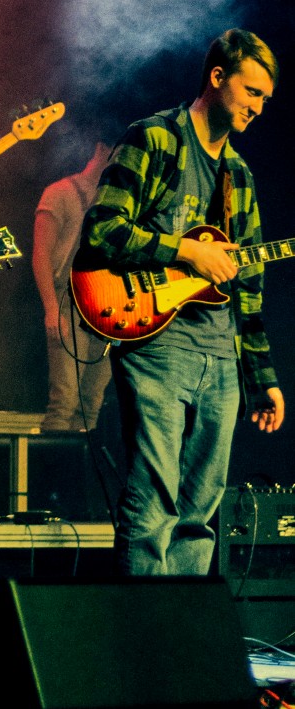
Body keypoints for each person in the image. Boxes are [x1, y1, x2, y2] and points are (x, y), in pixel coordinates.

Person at [80, 29, 284, 575]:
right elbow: (101, 230)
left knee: (200, 514)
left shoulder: (239, 176)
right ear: (217, 77)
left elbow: (249, 289)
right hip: (156, 344)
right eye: (252, 91)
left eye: (266, 98)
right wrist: (186, 250)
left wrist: (262, 378)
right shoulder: (153, 138)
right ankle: (143, 624)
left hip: (220, 357)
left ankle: (180, 624)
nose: (259, 107)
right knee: (153, 504)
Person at [32, 142, 113, 431]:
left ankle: (80, 460)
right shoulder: (61, 192)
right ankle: (55, 459)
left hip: (109, 304)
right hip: (70, 301)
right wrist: (51, 308)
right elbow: (41, 254)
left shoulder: (117, 198)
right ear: (102, 149)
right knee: (64, 400)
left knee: (92, 402)